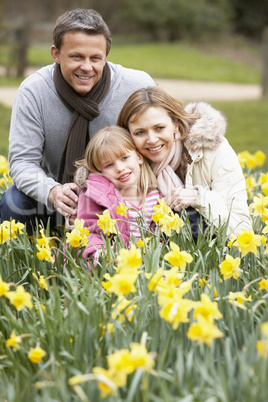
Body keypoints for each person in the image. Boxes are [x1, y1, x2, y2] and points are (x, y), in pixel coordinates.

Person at [0, 9, 155, 234]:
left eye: (95, 58)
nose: (87, 67)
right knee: (13, 201)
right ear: (56, 54)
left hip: (124, 196)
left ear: (106, 56)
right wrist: (52, 192)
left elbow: (160, 144)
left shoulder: (135, 86)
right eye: (76, 57)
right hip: (60, 197)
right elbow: (23, 161)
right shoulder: (34, 91)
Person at [117, 86, 252, 236]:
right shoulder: (124, 165)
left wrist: (199, 197)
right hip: (152, 254)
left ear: (175, 125)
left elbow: (242, 231)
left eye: (159, 128)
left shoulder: (212, 150)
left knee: (187, 215)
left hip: (213, 253)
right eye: (140, 132)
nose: (152, 140)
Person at [74, 126, 162, 261]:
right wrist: (100, 255)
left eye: (125, 158)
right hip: (112, 261)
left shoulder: (155, 197)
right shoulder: (98, 198)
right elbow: (89, 232)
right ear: (100, 171)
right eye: (109, 165)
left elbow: (159, 232)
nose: (120, 168)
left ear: (139, 157)